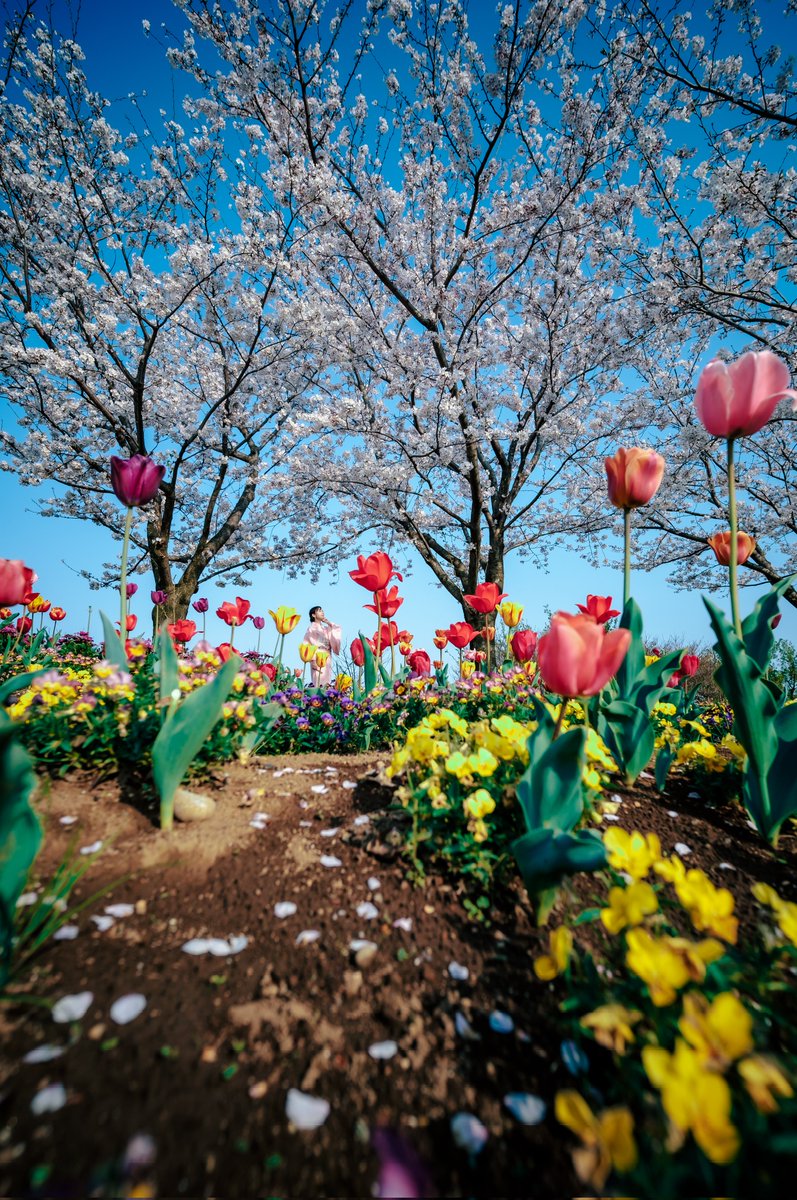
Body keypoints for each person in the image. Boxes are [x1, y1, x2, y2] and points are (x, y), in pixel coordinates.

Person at [301, 605, 342, 687]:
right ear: (313, 615)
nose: (322, 612)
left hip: (327, 656)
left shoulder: (326, 628)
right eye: (319, 611)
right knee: (319, 680)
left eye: (322, 610)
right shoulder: (311, 628)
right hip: (317, 655)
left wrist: (328, 622)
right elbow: (307, 644)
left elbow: (336, 629)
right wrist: (312, 660)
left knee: (327, 682)